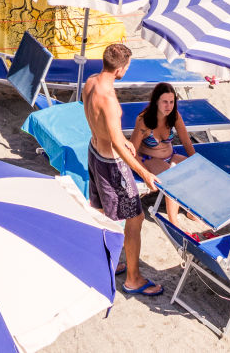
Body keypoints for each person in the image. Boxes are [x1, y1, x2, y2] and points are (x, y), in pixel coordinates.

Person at [82, 43, 162, 297]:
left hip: (94, 151)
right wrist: (145, 173)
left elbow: (100, 124)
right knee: (135, 218)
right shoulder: (108, 100)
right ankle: (133, 279)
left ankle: (112, 261)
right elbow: (116, 142)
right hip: (112, 164)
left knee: (102, 211)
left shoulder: (91, 82)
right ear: (121, 69)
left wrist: (120, 138)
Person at [130, 84, 196, 225]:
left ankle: (191, 210)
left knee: (193, 171)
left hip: (171, 155)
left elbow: (186, 141)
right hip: (149, 158)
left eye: (171, 102)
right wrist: (144, 172)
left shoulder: (174, 116)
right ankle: (174, 223)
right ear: (156, 102)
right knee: (172, 181)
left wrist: (195, 161)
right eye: (165, 102)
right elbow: (132, 151)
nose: (169, 106)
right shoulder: (144, 121)